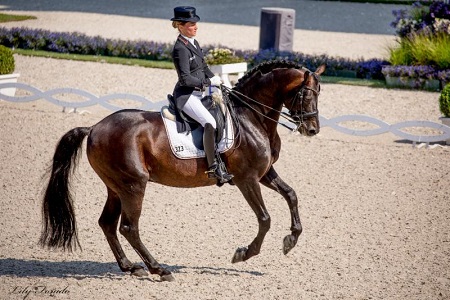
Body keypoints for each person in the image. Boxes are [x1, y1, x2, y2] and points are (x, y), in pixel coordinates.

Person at [170, 6, 233, 183]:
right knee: (209, 122)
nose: (196, 27)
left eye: (196, 23)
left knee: (223, 112)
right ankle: (213, 167)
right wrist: (207, 83)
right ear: (180, 26)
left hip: (200, 92)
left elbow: (203, 67)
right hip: (187, 96)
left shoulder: (193, 42)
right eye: (191, 24)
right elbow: (185, 79)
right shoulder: (180, 49)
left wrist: (216, 81)